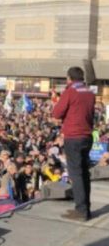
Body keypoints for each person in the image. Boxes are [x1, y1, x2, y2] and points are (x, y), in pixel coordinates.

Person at [53, 66, 95, 222]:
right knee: (84, 173)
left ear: (69, 78)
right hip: (87, 136)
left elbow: (57, 113)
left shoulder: (70, 91)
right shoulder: (90, 92)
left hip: (74, 137)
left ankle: (81, 211)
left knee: (76, 174)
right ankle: (86, 209)